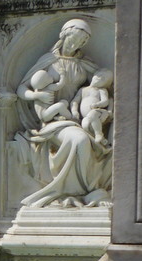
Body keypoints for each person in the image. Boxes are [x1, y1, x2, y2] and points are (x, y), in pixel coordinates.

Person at [16, 18, 112, 207]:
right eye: (74, 39)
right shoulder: (48, 61)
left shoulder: (85, 64)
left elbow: (102, 81)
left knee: (86, 137)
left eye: (82, 41)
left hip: (76, 117)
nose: (77, 44)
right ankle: (73, 192)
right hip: (53, 120)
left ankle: (85, 192)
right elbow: (21, 88)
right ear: (64, 35)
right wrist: (36, 95)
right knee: (80, 140)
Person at [72, 68, 113, 145]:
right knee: (85, 125)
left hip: (99, 112)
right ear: (94, 75)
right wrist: (74, 111)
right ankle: (101, 140)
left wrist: (97, 105)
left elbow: (105, 101)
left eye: (103, 79)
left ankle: (99, 134)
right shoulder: (82, 90)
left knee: (92, 114)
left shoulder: (101, 90)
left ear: (106, 84)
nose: (100, 78)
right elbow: (75, 101)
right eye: (99, 75)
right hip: (86, 117)